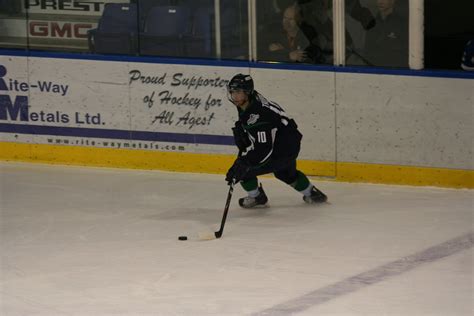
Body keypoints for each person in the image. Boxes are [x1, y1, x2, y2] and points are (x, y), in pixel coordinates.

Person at [225, 74, 327, 208]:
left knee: (244, 170)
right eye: (232, 91)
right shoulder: (249, 101)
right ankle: (313, 194)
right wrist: (244, 131)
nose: (234, 96)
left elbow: (264, 150)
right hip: (288, 143)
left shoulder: (258, 114)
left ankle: (257, 197)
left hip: (282, 149)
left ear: (247, 92)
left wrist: (245, 162)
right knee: (284, 172)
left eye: (238, 92)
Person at [363, 0, 408, 67]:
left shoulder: (402, 24)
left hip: (396, 71)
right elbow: (367, 51)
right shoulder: (372, 24)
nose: (380, 2)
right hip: (373, 70)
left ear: (392, 1)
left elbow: (405, 54)